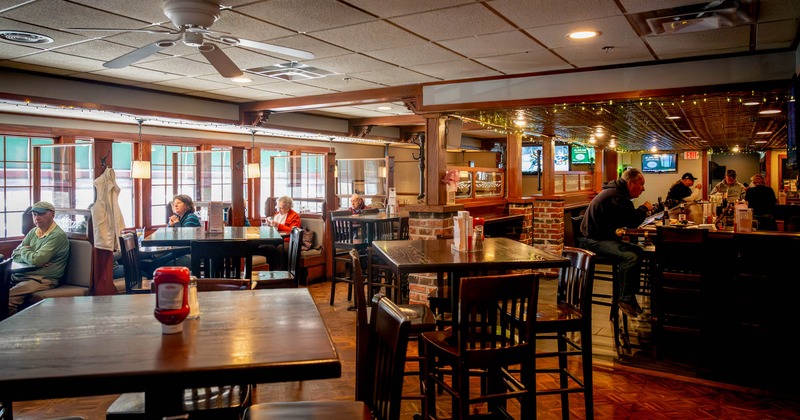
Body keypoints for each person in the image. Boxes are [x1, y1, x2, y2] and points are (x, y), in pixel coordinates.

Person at [579, 168, 653, 318]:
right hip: (593, 241)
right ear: (631, 183)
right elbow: (633, 221)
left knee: (639, 251)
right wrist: (644, 208)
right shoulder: (617, 196)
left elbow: (624, 219)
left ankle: (629, 296)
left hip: (599, 237)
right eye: (641, 184)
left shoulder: (616, 193)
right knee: (631, 256)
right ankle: (624, 299)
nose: (643, 189)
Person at [8, 201, 70, 314]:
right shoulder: (33, 232)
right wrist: (30, 256)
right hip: (22, 276)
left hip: (43, 279)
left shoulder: (57, 235)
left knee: (7, 298)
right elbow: (14, 255)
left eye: (41, 214)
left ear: (52, 214)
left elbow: (37, 260)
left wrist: (25, 251)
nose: (37, 218)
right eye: (35, 214)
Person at [262, 196, 301, 270]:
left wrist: (278, 225)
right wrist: (269, 224)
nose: (279, 210)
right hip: (276, 239)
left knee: (280, 249)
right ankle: (270, 271)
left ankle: (280, 273)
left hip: (288, 240)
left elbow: (292, 231)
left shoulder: (294, 216)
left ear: (289, 207)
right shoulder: (277, 214)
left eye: (282, 208)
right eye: (278, 207)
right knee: (267, 247)